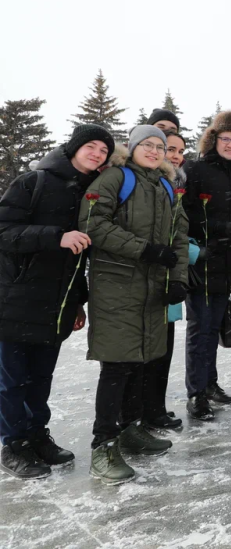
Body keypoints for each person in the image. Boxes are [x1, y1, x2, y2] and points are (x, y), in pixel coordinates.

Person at [0, 124, 114, 480]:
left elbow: (77, 260)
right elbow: (4, 231)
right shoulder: (32, 182)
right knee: (12, 381)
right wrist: (56, 236)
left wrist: (77, 301)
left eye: (104, 150)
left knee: (40, 378)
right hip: (15, 299)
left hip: (56, 304)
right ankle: (13, 444)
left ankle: (36, 435)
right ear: (74, 147)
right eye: (91, 146)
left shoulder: (90, 193)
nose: (97, 153)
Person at [85, 126, 189, 484]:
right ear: (131, 146)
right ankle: (103, 446)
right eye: (147, 144)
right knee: (117, 365)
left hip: (152, 287)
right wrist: (144, 250)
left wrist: (178, 278)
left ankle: (129, 429)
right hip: (116, 286)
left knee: (140, 361)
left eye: (160, 146)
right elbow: (92, 223)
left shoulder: (165, 187)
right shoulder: (116, 177)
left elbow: (179, 237)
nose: (154, 150)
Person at [183, 110, 231, 421]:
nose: (230, 144)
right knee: (200, 329)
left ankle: (210, 384)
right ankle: (196, 392)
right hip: (202, 258)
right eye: (225, 138)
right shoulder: (195, 169)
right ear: (214, 139)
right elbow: (184, 214)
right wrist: (215, 227)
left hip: (228, 262)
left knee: (214, 327)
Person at [144, 132, 200, 431]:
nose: (176, 155)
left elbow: (178, 233)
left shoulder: (175, 186)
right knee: (144, 352)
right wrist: (194, 253)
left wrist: (190, 252)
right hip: (147, 278)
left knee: (162, 351)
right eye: (170, 149)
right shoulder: (148, 184)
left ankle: (155, 408)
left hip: (169, 277)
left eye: (180, 151)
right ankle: (139, 414)